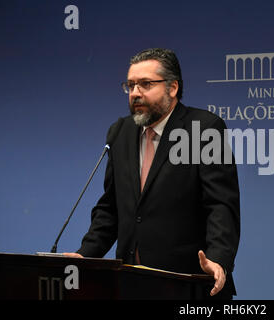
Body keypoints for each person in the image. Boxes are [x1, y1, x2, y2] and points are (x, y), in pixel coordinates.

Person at [64, 48, 240, 299]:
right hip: (130, 284)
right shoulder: (120, 132)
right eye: (131, 85)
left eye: (145, 84)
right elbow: (112, 207)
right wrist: (85, 255)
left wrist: (218, 259)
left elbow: (221, 205)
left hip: (188, 284)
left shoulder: (203, 128)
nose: (135, 93)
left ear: (172, 88)